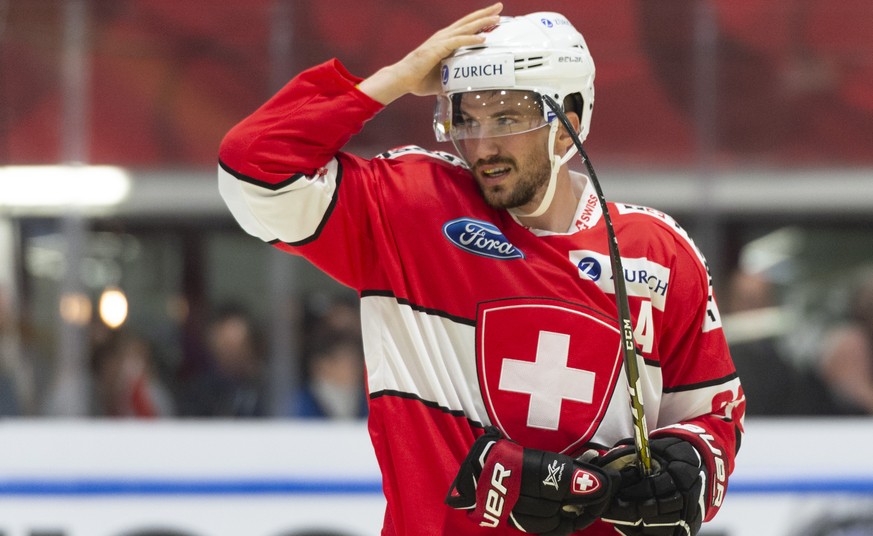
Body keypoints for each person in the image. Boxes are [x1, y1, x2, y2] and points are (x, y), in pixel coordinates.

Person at [219, 4, 744, 535]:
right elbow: (251, 170)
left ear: (570, 125)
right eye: (466, 119)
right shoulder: (410, 207)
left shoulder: (659, 254)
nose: (481, 145)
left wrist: (688, 469)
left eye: (507, 118)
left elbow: (712, 416)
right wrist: (394, 79)